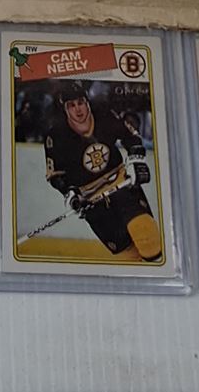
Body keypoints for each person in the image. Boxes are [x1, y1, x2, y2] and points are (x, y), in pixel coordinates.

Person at [39, 80, 164, 263]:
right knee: (126, 256)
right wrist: (70, 193)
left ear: (87, 102)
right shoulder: (56, 135)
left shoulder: (103, 114)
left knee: (146, 234)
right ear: (65, 109)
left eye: (81, 102)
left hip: (120, 182)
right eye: (72, 105)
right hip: (91, 199)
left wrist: (136, 158)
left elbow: (130, 136)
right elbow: (56, 175)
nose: (78, 109)